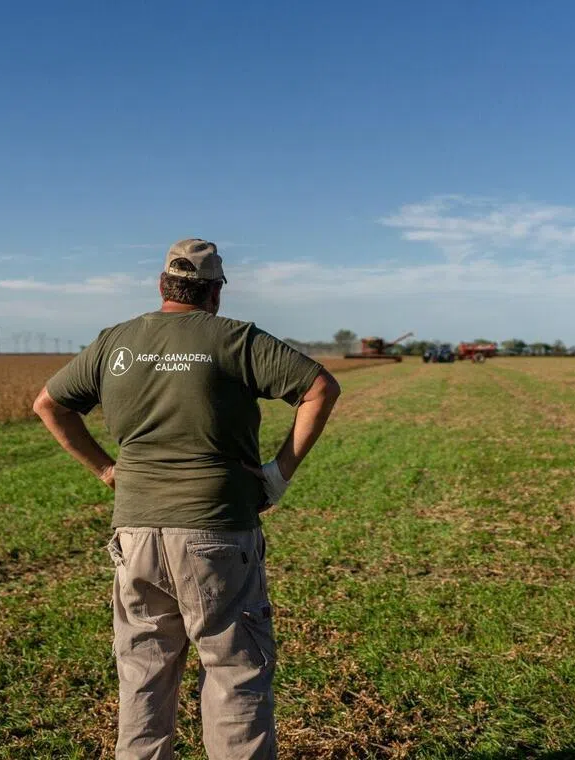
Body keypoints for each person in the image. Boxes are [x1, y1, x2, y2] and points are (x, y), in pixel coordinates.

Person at [32, 238, 342, 760]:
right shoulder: (235, 338)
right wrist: (277, 474)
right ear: (215, 292)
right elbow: (320, 388)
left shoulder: (115, 341)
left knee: (143, 673)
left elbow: (49, 404)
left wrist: (106, 469)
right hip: (217, 527)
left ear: (162, 286)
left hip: (135, 533)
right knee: (234, 672)